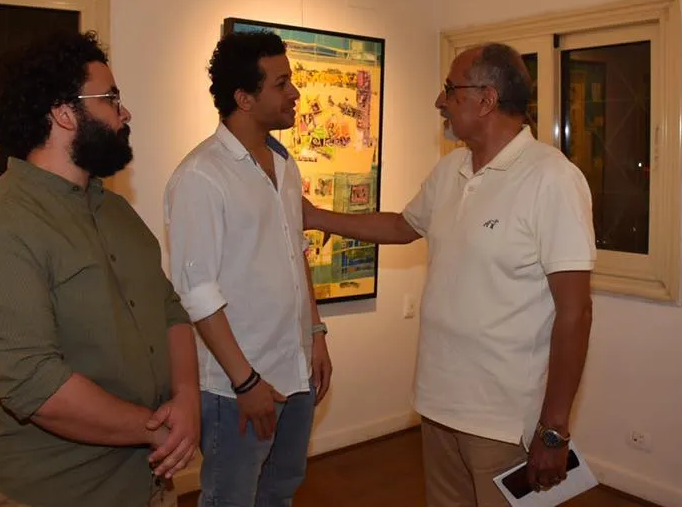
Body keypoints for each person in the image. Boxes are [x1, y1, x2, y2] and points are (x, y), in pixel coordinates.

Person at [303, 43, 596, 506]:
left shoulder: (552, 179)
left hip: (501, 422)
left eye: (450, 89)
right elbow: (400, 227)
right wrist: (316, 216)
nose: (440, 101)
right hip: (438, 406)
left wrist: (554, 429)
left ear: (486, 99)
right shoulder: (451, 169)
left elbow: (575, 313)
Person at [0, 30, 199, 507]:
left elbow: (170, 310)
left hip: (140, 480)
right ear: (63, 113)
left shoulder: (117, 212)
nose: (125, 113)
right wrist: (156, 429)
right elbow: (34, 384)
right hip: (38, 490)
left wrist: (188, 399)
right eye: (110, 98)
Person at [163, 30, 333, 506]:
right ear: (243, 98)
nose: (295, 93)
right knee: (230, 499)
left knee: (280, 492)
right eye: (281, 84)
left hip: (295, 370)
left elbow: (296, 254)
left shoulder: (285, 164)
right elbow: (196, 291)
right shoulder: (201, 176)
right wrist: (246, 380)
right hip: (236, 386)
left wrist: (316, 334)